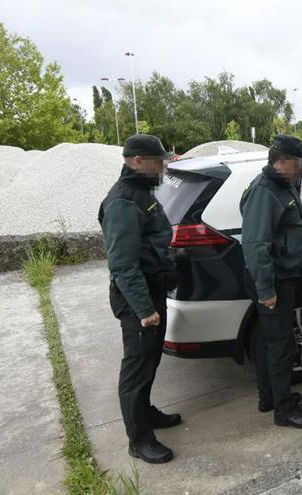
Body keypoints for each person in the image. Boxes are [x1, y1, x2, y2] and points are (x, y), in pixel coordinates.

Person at [99, 134, 182, 464]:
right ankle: (139, 439)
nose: (162, 166)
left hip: (152, 289)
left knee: (150, 360)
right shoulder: (122, 202)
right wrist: (144, 309)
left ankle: (146, 413)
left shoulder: (140, 193)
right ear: (135, 161)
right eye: (157, 160)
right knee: (136, 368)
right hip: (138, 298)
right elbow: (122, 264)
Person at [240, 135, 302, 428]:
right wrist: (267, 289)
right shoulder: (266, 191)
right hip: (273, 281)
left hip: (278, 278)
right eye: (299, 163)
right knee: (281, 344)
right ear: (283, 161)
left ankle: (270, 396)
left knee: (267, 341)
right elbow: (255, 244)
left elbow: (284, 229)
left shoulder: (279, 187)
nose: (301, 169)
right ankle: (284, 410)